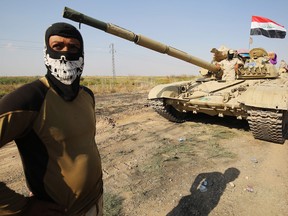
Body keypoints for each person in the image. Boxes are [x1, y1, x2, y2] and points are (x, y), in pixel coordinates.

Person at [0, 22, 103, 215]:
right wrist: (21, 207)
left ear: (82, 54)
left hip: (96, 202)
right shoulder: (29, 99)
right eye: (58, 46)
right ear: (47, 52)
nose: (65, 53)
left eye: (73, 47)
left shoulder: (86, 95)